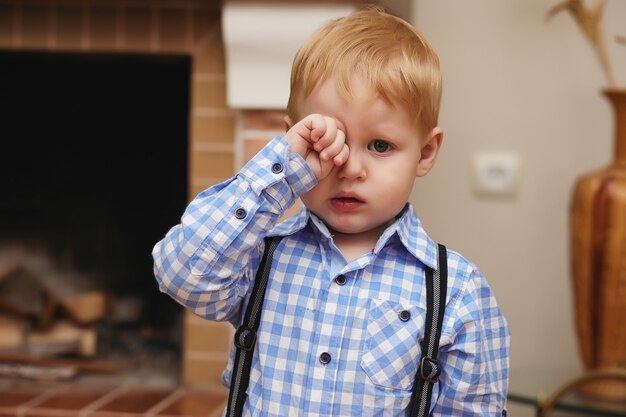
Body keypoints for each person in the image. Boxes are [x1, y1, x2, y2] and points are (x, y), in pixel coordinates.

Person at [153, 7, 510, 416]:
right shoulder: (259, 255)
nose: (350, 169)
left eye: (380, 146)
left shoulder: (457, 292)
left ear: (425, 153)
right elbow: (181, 275)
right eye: (330, 142)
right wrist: (283, 168)